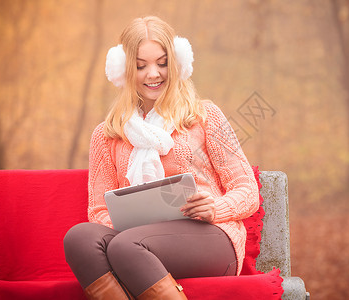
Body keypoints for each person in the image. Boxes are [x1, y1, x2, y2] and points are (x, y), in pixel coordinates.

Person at [64, 15, 259, 300]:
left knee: (127, 246)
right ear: (125, 70)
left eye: (162, 63)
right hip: (134, 240)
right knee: (79, 238)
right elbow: (98, 211)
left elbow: (248, 190)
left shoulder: (205, 116)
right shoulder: (106, 135)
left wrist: (215, 207)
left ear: (176, 63)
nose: (153, 74)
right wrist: (130, 221)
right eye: (141, 66)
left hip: (210, 235)